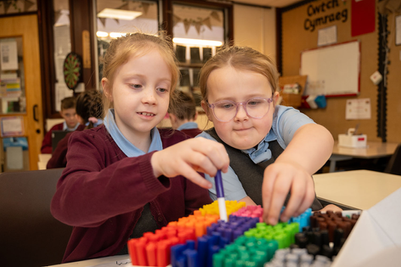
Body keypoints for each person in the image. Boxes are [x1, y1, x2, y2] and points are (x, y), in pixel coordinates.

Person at [50, 32, 229, 263]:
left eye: (161, 89)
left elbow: (198, 219)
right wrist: (155, 164)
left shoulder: (179, 144)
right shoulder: (88, 144)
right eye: (136, 85)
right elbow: (69, 205)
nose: (150, 98)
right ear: (108, 88)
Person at [197, 46, 340, 226]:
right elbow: (246, 216)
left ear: (274, 102)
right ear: (207, 111)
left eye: (255, 102)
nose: (241, 115)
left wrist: (293, 163)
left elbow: (319, 136)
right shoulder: (207, 148)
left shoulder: (280, 118)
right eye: (226, 106)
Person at [46, 90, 103, 169]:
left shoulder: (69, 140)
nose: (71, 118)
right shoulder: (113, 137)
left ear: (78, 117)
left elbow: (50, 167)